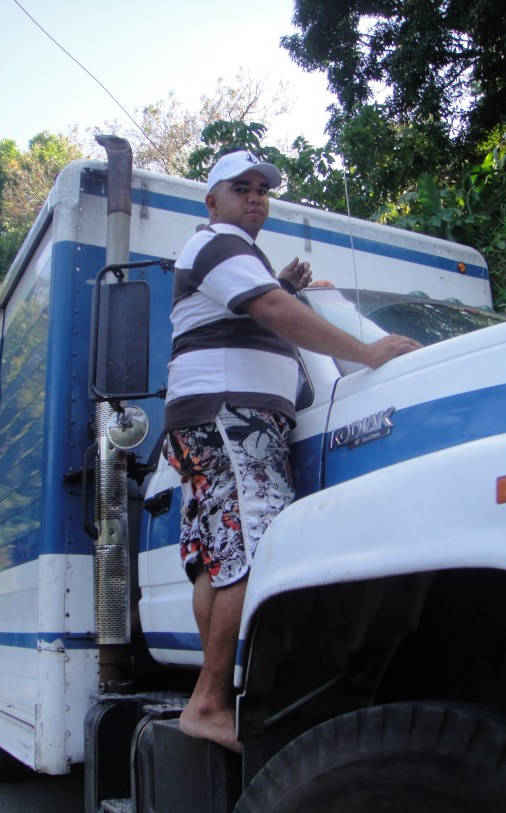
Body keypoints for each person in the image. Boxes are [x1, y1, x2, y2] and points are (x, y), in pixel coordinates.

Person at [163, 150, 421, 753]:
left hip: (213, 416)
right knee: (254, 541)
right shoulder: (217, 242)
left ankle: (214, 693)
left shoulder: (232, 255)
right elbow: (274, 314)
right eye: (241, 188)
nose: (255, 197)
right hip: (232, 416)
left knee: (216, 555)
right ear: (213, 201)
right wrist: (370, 352)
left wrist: (279, 284)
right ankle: (208, 703)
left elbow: (258, 308)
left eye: (263, 190)